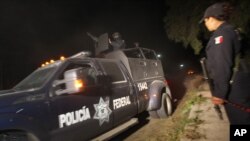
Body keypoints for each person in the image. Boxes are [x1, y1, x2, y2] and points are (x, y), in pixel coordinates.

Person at [200, 2, 250, 124]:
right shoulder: (233, 30)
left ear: (211, 19)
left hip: (234, 87)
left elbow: (222, 66)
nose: (205, 24)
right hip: (242, 80)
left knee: (240, 122)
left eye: (205, 21)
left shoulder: (221, 35)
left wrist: (219, 93)